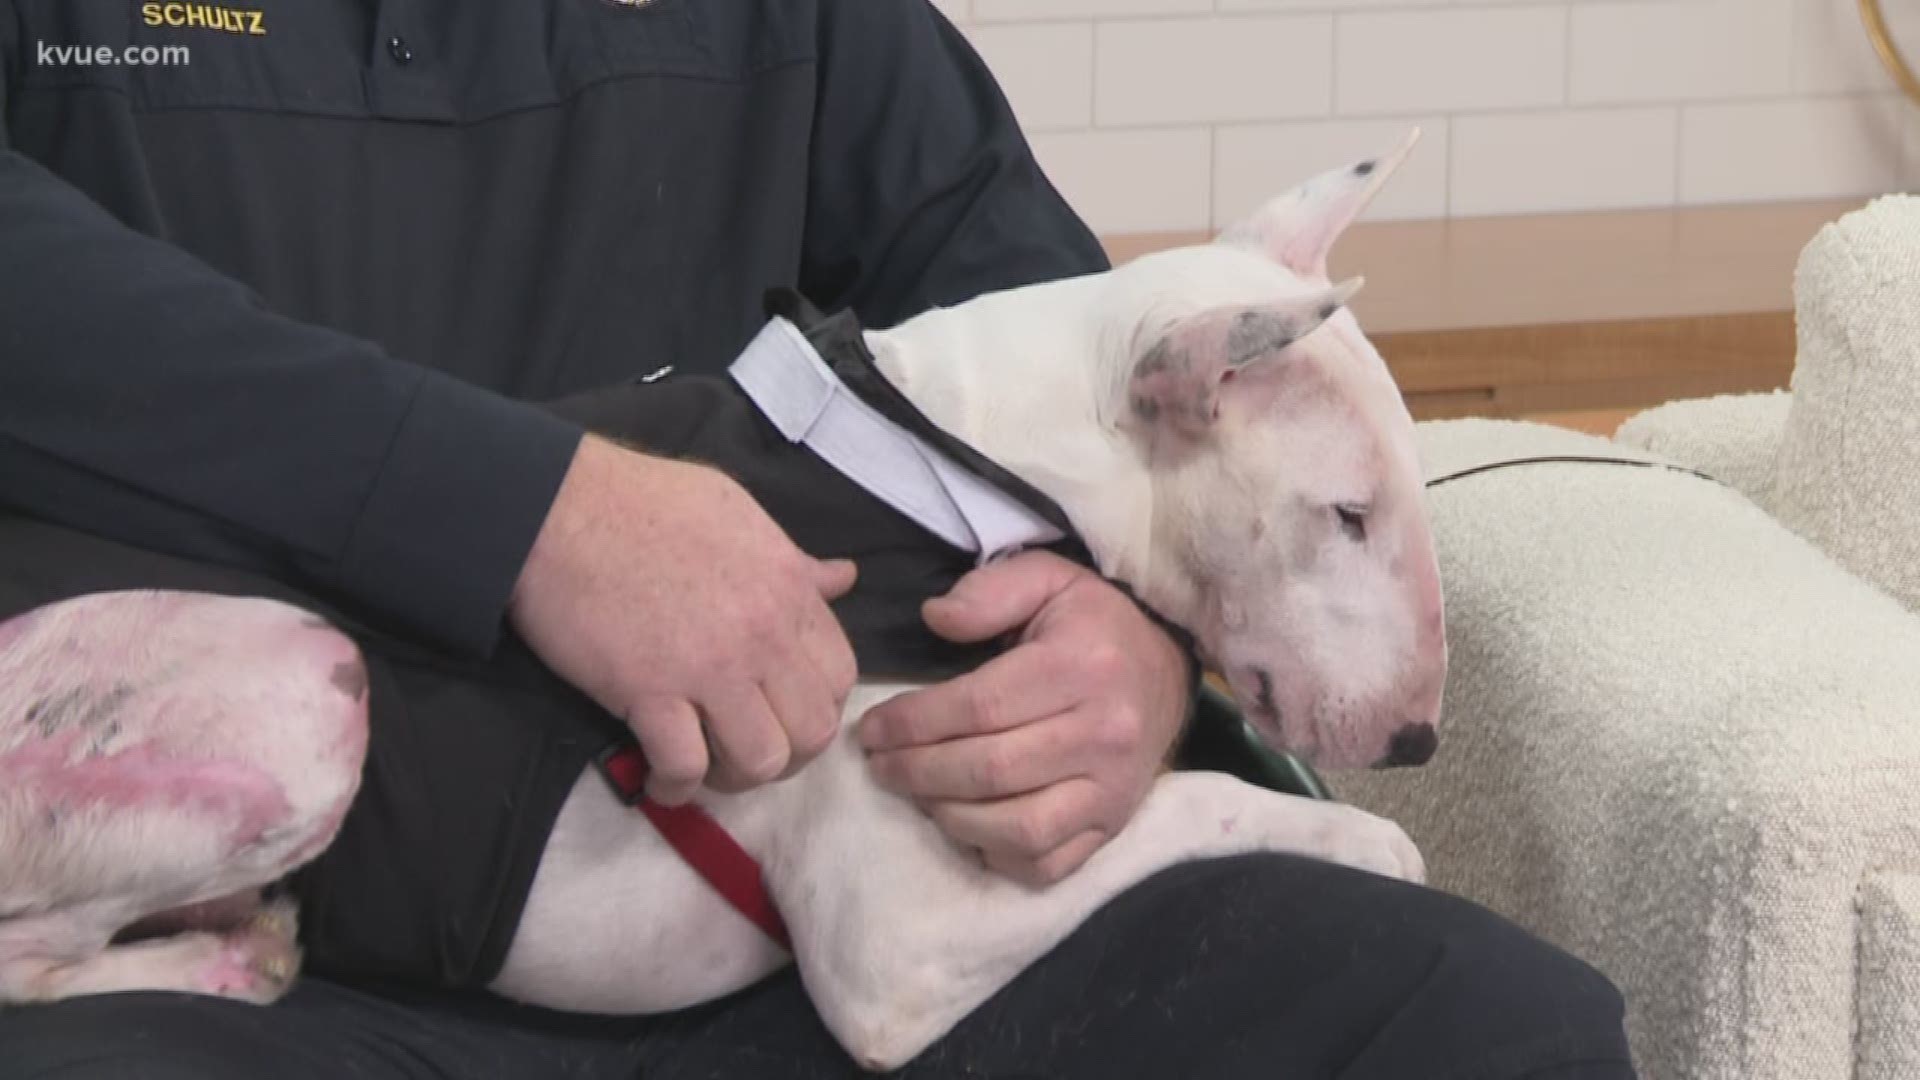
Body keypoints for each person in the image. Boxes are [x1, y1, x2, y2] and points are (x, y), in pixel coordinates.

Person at [0, 2, 1637, 1077]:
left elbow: (1080, 380)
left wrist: (1128, 655)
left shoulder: (809, 27)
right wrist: (523, 512)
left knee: (1486, 1032)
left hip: (826, 941)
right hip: (250, 944)